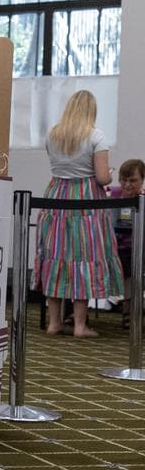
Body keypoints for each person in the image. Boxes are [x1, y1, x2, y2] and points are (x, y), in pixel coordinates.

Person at [34, 91, 124, 337]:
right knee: (83, 256)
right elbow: (103, 177)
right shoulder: (96, 136)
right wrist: (112, 173)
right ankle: (80, 325)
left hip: (56, 195)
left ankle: (54, 323)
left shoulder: (53, 134)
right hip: (85, 199)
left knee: (56, 257)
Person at [109, 158, 144, 327]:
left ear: (142, 180)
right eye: (124, 180)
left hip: (134, 248)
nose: (127, 184)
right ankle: (75, 313)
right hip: (109, 247)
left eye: (133, 180)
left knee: (133, 263)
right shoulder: (111, 194)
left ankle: (128, 310)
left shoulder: (143, 199)